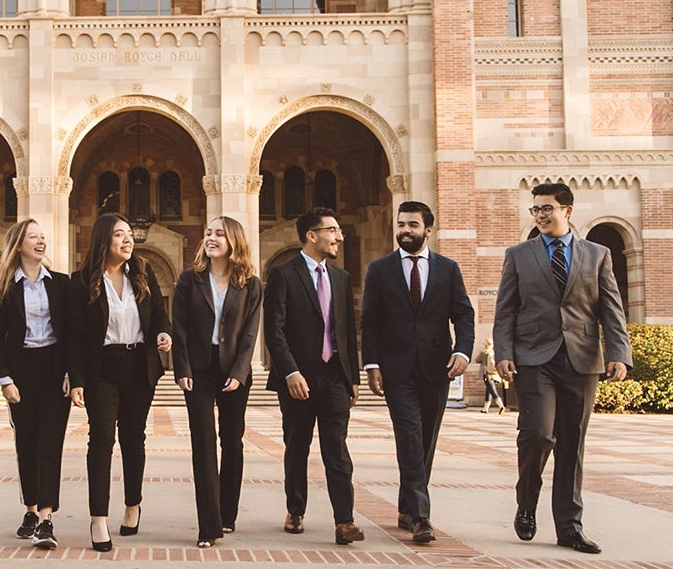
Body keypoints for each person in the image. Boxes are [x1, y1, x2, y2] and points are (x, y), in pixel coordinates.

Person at [494, 182, 632, 555]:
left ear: (567, 211)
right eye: (535, 209)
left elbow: (611, 310)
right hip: (535, 357)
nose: (540, 215)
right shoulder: (519, 255)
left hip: (583, 360)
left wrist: (619, 352)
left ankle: (570, 527)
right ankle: (526, 502)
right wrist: (503, 352)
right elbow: (505, 309)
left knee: (572, 444)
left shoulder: (598, 255)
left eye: (546, 208)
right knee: (538, 433)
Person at [360, 201, 475, 544]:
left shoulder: (448, 269)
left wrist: (463, 350)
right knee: (410, 436)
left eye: (412, 225)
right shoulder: (380, 270)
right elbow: (370, 321)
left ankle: (407, 506)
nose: (404, 231)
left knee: (425, 441)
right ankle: (422, 517)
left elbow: (464, 316)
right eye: (400, 225)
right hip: (396, 371)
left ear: (428, 229)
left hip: (436, 368)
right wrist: (372, 363)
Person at [71, 213, 172, 552]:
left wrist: (163, 333)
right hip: (103, 368)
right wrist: (77, 380)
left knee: (133, 438)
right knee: (100, 440)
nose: (128, 240)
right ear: (103, 239)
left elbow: (159, 313)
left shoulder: (143, 273)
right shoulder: (82, 280)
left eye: (130, 234)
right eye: (119, 235)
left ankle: (132, 504)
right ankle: (98, 517)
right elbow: (76, 336)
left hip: (139, 366)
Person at [263, 207, 363, 546]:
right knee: (297, 446)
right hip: (297, 379)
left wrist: (353, 378)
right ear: (312, 236)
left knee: (336, 448)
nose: (339, 236)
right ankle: (296, 509)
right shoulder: (283, 274)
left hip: (334, 375)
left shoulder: (341, 277)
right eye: (332, 230)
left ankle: (345, 521)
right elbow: (274, 331)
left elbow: (347, 331)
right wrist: (289, 370)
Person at [0, 219, 83, 550]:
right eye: (33, 237)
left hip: (54, 372)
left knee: (50, 444)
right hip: (21, 372)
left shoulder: (61, 283)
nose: (41, 241)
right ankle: (30, 509)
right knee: (26, 444)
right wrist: (5, 379)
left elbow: (72, 332)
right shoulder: (4, 287)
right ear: (19, 244)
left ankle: (46, 518)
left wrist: (74, 374)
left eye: (43, 237)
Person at [172, 216, 263, 548]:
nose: (211, 238)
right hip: (199, 370)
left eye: (219, 234)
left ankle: (227, 513)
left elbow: (251, 333)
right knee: (204, 444)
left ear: (234, 241)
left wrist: (240, 373)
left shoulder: (250, 283)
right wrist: (181, 369)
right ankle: (208, 526)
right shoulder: (188, 280)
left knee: (232, 441)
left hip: (234, 371)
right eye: (208, 233)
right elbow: (178, 326)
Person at [478, 339, 507, 414]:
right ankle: (485, 408)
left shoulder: (484, 353)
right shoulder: (494, 353)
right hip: (494, 375)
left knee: (493, 391)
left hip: (487, 375)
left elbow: (477, 359)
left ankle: (501, 406)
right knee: (489, 391)